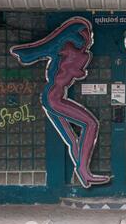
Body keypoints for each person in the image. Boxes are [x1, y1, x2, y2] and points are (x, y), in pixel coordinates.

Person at [10, 17, 110, 188]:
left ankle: (84, 174)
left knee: (73, 139)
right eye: (86, 34)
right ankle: (84, 172)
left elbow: (49, 55)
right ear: (76, 36)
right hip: (54, 99)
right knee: (91, 124)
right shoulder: (76, 54)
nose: (90, 38)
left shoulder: (64, 50)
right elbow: (78, 72)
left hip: (51, 97)